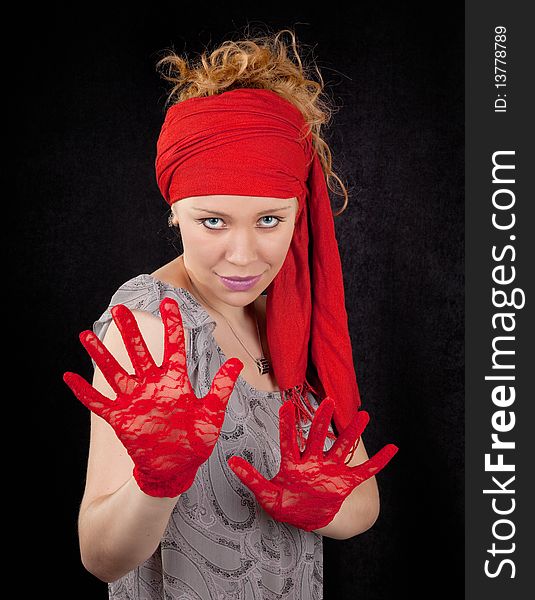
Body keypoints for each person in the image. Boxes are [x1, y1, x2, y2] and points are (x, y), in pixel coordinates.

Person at [63, 28, 398, 600]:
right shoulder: (149, 326)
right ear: (175, 211)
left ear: (299, 211)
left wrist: (315, 508)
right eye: (212, 221)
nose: (244, 257)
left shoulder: (292, 316)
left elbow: (361, 504)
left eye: (269, 220)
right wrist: (154, 485)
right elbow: (100, 557)